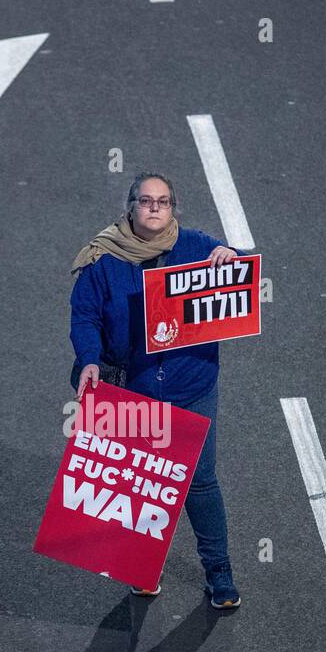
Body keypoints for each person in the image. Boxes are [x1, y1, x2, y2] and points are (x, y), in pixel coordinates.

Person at [70, 171, 246, 609]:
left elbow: (239, 275)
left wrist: (233, 256)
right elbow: (85, 316)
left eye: (163, 201)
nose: (154, 208)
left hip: (193, 385)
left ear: (173, 208)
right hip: (136, 388)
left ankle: (218, 572)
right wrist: (90, 359)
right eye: (145, 200)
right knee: (140, 485)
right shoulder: (103, 259)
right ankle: (142, 567)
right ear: (130, 207)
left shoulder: (197, 246)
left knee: (200, 483)